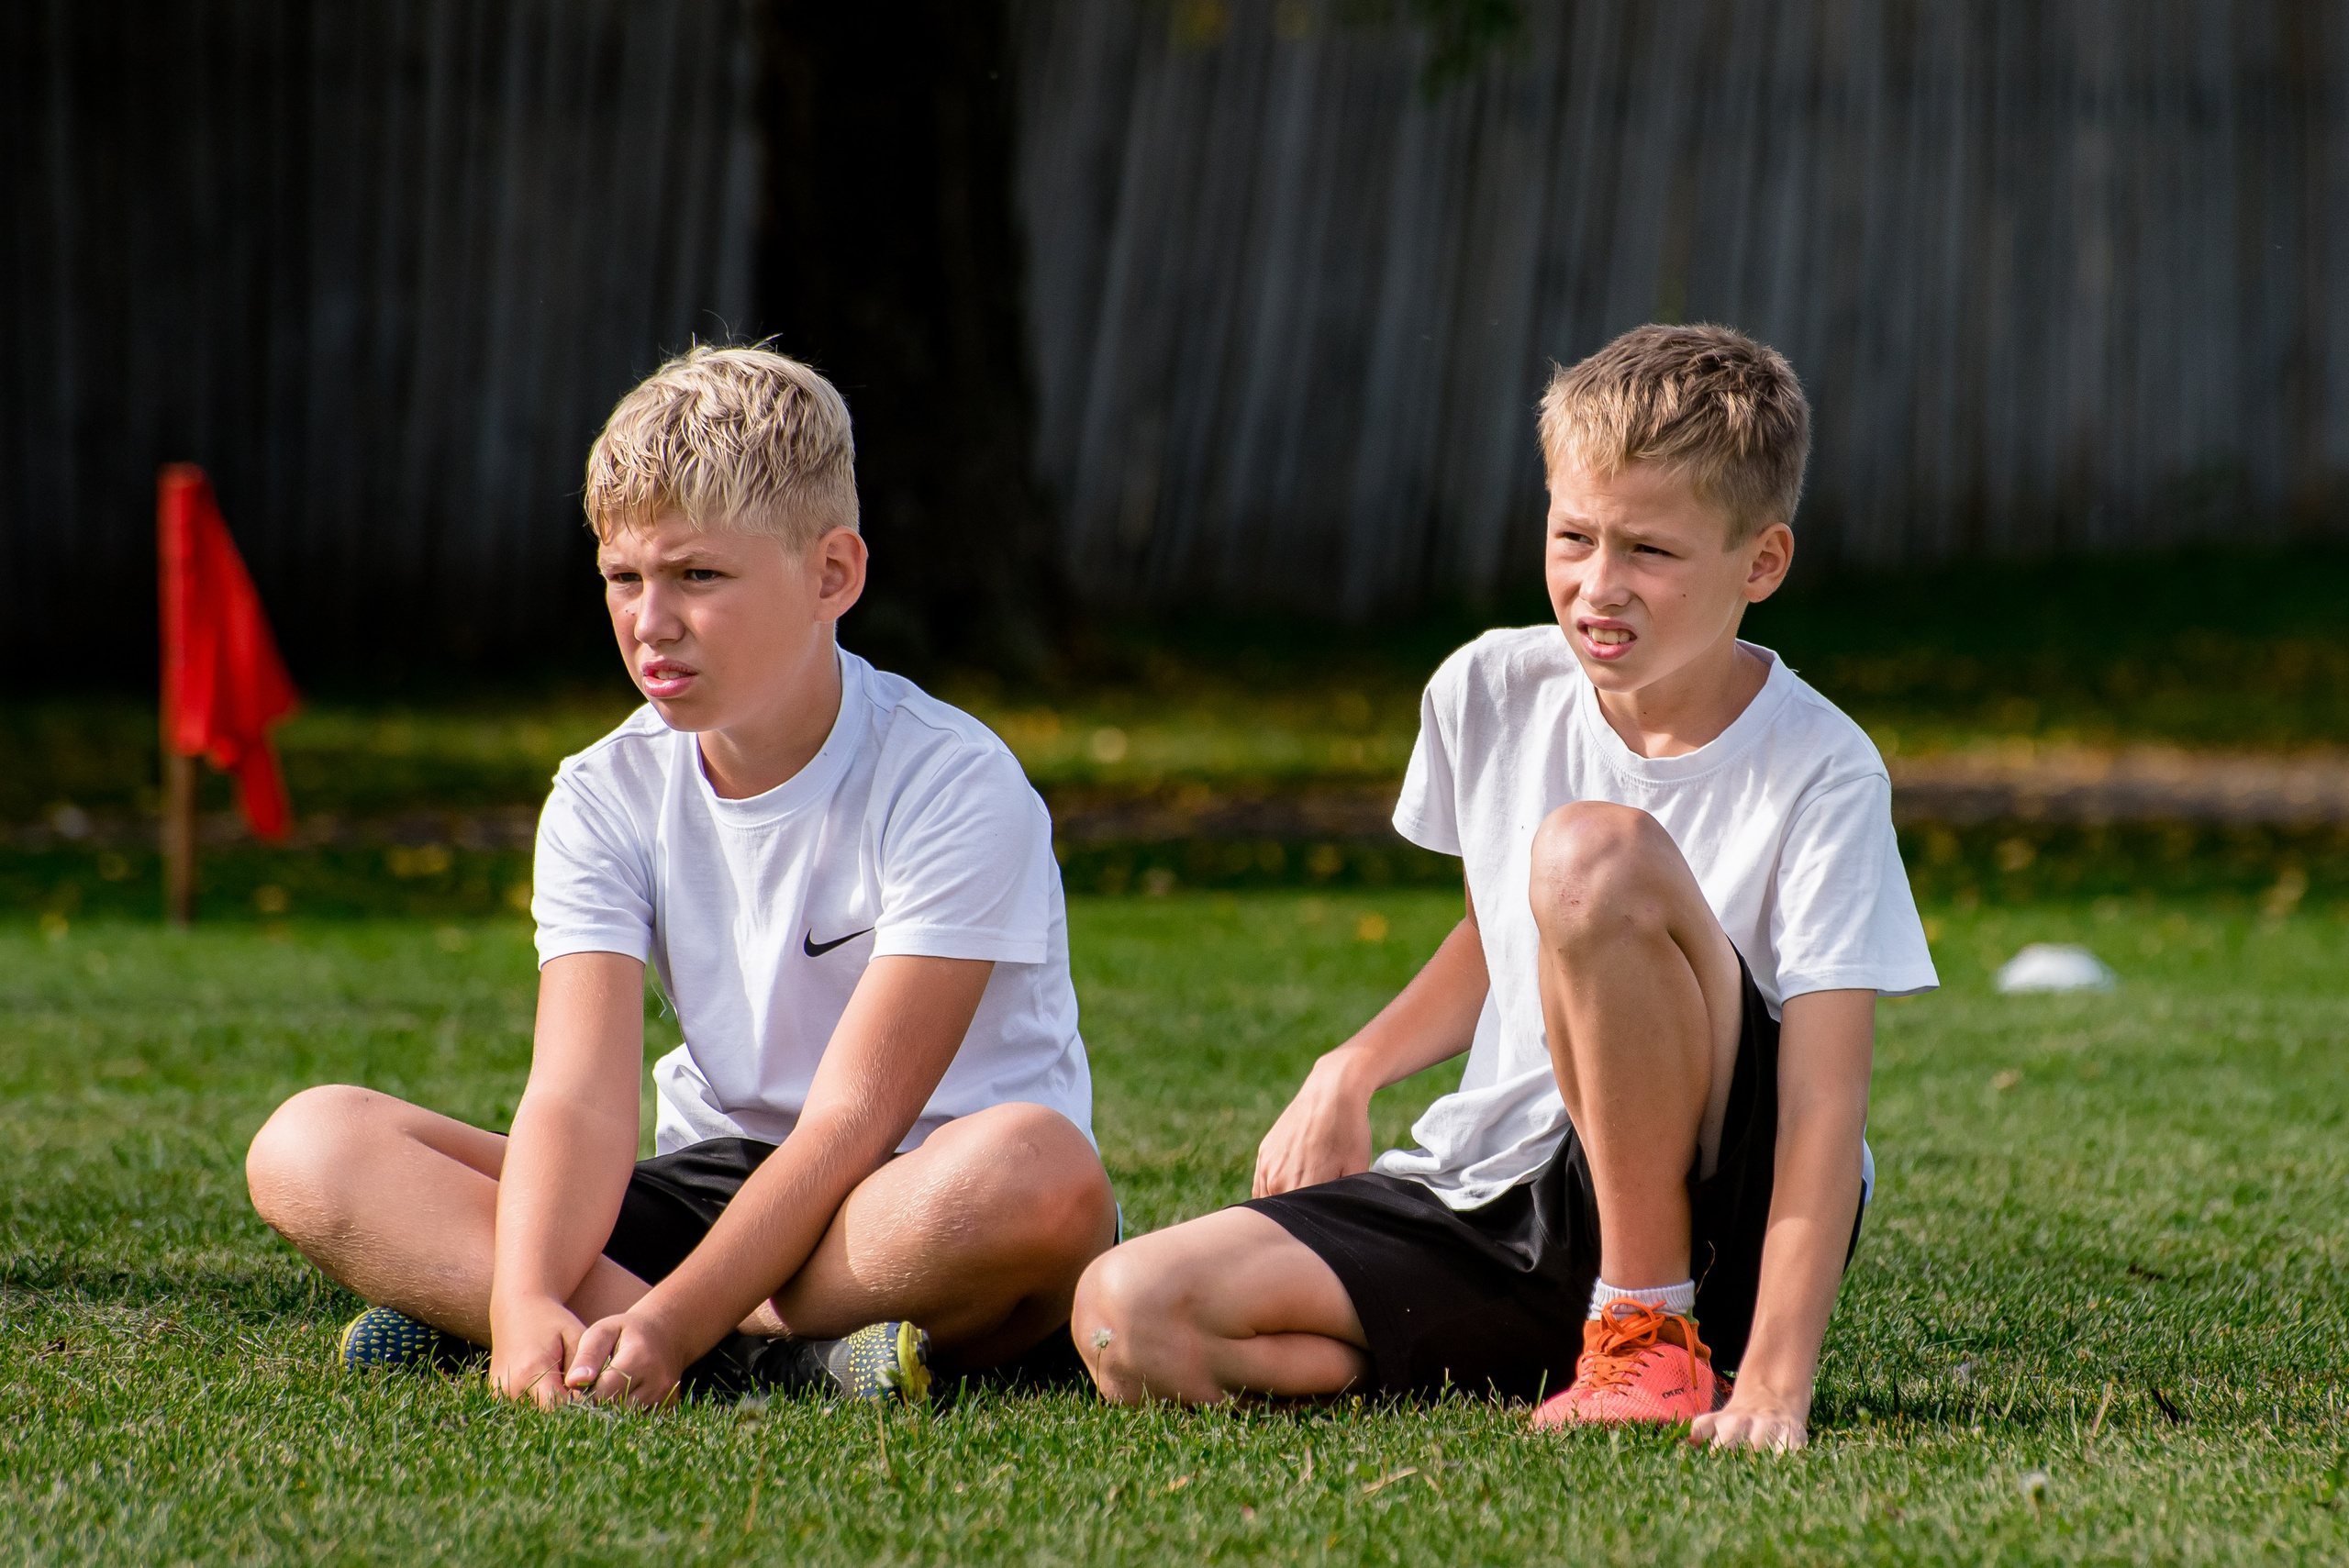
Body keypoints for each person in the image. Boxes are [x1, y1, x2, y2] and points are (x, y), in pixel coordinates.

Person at [1072, 324, 1936, 1451]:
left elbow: (1824, 1104)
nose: (1597, 586)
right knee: (1127, 1314)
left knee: (1590, 854)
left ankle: (1651, 1325)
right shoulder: (1485, 688)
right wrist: (1351, 1066)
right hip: (1493, 1185)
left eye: (1650, 551)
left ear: (1760, 563)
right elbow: (1505, 934)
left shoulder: (1823, 767)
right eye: (1572, 535)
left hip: (1717, 1203)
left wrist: (1774, 1381)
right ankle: (1556, 1355)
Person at [247, 345, 1117, 1407]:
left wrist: (667, 1319)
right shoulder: (601, 789)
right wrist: (521, 1297)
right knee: (310, 1143)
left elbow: (852, 1121)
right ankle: (770, 1363)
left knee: (1039, 1170)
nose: (649, 621)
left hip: (907, 1192)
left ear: (832, 575)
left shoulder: (954, 780)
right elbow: (576, 1098)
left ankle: (595, 1321)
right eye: (624, 577)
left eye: (698, 576)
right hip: (709, 1189)